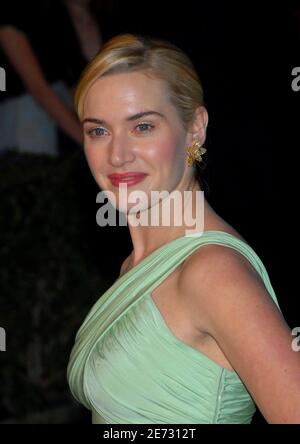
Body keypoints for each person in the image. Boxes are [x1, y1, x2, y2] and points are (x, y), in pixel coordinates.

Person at [67, 34, 300, 424]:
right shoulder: (138, 265)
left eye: (142, 127)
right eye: (98, 131)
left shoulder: (212, 273)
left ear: (195, 129)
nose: (118, 155)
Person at [0, 0, 103, 156]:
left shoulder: (52, 13)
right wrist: (86, 141)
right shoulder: (13, 17)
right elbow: (38, 88)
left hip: (61, 116)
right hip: (26, 118)